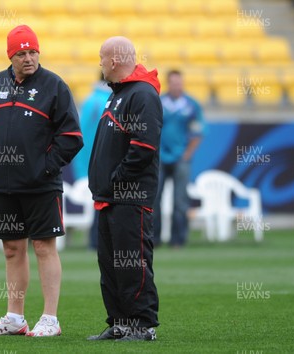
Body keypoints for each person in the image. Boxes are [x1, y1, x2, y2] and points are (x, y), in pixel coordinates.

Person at [0, 24, 83, 337]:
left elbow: (71, 136)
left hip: (41, 185)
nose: (29, 58)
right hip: (3, 185)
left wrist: (46, 167)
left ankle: (50, 319)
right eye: (22, 53)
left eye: (33, 51)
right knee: (11, 249)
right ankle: (15, 318)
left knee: (44, 247)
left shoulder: (54, 86)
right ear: (11, 55)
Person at [87, 36, 161, 341]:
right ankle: (120, 322)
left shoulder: (142, 94)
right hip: (111, 196)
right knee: (111, 263)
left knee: (133, 261)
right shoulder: (119, 93)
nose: (101, 64)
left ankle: (142, 325)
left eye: (102, 58)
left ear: (114, 61)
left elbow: (143, 147)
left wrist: (116, 178)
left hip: (130, 196)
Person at [154, 70, 205, 248]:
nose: (176, 86)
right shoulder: (159, 102)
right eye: (173, 82)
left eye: (179, 82)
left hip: (181, 158)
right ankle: (154, 239)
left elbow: (198, 132)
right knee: (154, 199)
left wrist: (187, 153)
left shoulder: (191, 105)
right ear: (168, 83)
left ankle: (178, 240)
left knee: (180, 200)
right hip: (159, 157)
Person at [71, 73, 111, 250]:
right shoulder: (106, 101)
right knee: (104, 203)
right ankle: (98, 241)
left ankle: (97, 241)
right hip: (102, 163)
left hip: (93, 163)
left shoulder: (91, 101)